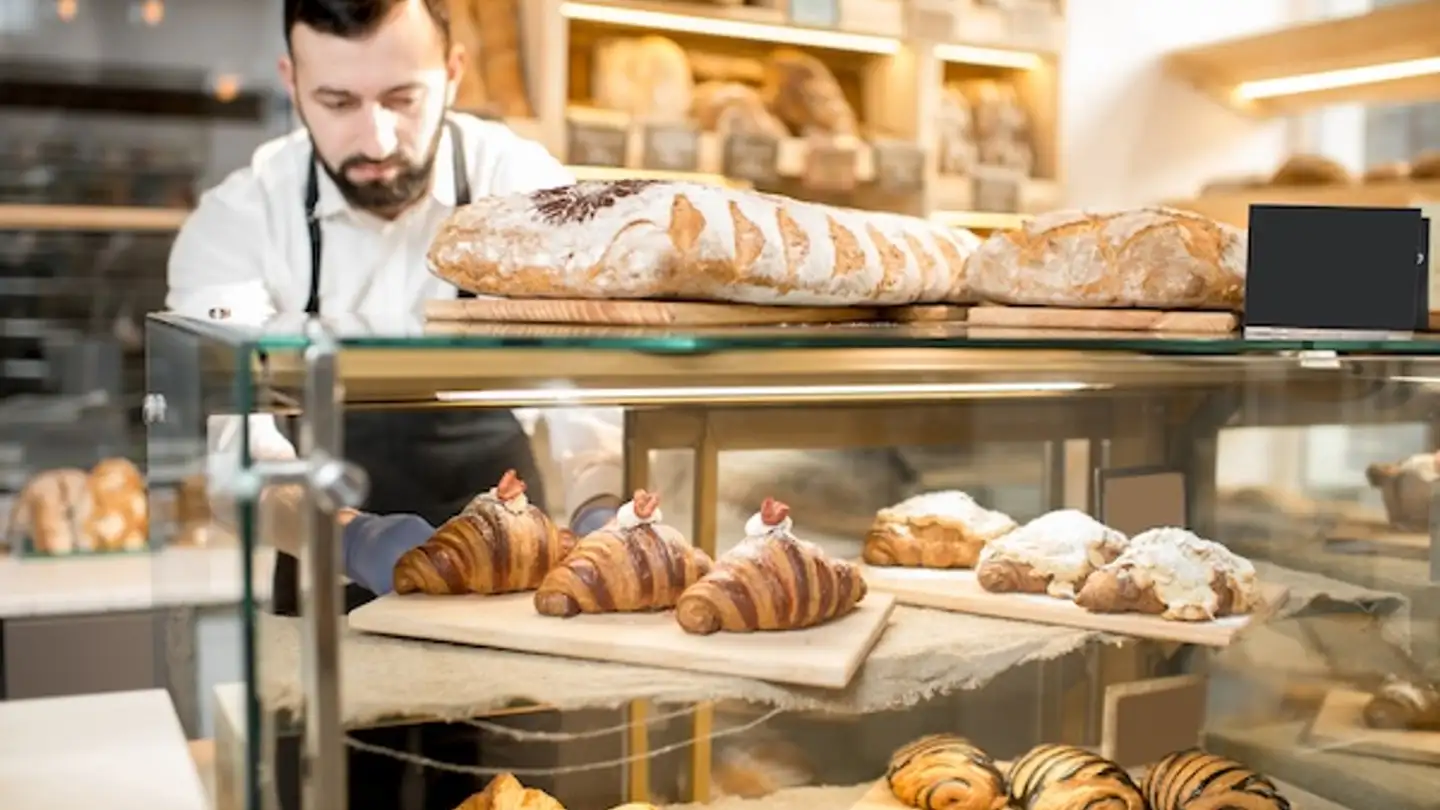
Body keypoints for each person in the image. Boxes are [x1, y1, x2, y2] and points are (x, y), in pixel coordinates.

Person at [165, 1, 622, 808]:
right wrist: (355, 541)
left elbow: (584, 384)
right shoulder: (241, 218)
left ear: (453, 73)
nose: (375, 141)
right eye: (337, 103)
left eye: (403, 99)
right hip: (322, 556)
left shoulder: (529, 190)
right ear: (293, 83)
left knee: (508, 791)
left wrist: (596, 507)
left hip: (510, 569)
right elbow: (239, 447)